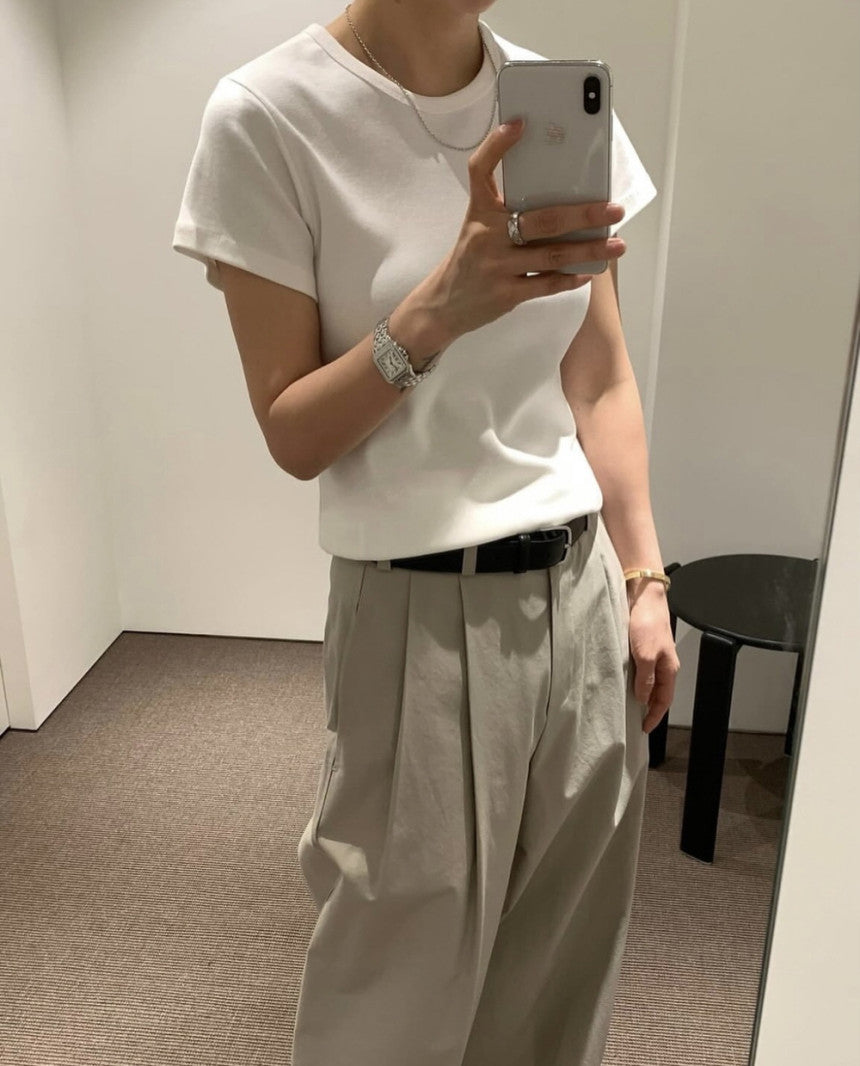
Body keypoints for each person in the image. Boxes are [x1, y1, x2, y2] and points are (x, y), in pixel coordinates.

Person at [172, 1, 680, 1062]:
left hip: (582, 594)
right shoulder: (268, 114)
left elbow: (599, 377)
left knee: (559, 974)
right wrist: (438, 309)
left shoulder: (554, 103)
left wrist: (643, 576)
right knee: (390, 993)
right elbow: (292, 432)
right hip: (415, 614)